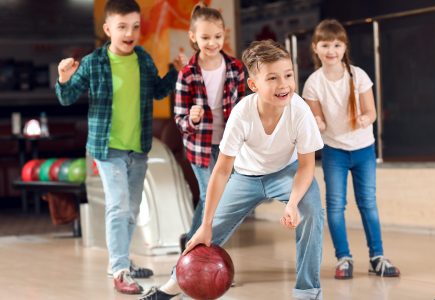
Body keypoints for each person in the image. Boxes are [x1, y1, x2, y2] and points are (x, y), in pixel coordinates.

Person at [140, 40, 325, 300]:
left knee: (311, 211)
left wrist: (293, 203)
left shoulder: (300, 110)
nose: (283, 85)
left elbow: (307, 166)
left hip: (287, 172)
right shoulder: (242, 113)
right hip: (246, 176)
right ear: (253, 85)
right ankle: (172, 286)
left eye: (288, 75)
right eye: (272, 78)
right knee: (206, 232)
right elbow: (222, 170)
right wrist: (205, 224)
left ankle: (307, 292)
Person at [55, 0, 185, 294]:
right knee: (119, 205)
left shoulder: (142, 58)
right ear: (108, 29)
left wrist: (175, 71)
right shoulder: (93, 62)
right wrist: (64, 79)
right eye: (122, 26)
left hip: (137, 149)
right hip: (107, 149)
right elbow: (68, 97)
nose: (130, 32)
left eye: (135, 26)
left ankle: (122, 260)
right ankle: (120, 270)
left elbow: (159, 90)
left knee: (132, 208)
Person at [302, 19, 400, 279]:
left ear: (344, 47)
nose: (331, 50)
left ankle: (377, 257)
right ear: (315, 48)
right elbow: (317, 119)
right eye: (325, 45)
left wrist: (364, 119)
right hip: (334, 152)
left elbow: (372, 112)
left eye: (337, 44)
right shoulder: (313, 83)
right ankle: (343, 258)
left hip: (363, 150)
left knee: (367, 203)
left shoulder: (358, 76)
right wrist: (318, 123)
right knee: (335, 206)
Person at [174, 2, 245, 252]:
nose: (212, 43)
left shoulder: (236, 68)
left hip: (229, 146)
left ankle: (192, 243)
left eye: (217, 36)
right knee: (211, 197)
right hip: (199, 148)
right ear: (193, 37)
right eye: (205, 37)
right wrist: (192, 119)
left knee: (219, 199)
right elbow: (180, 119)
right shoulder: (187, 73)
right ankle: (202, 254)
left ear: (224, 34)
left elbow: (246, 108)